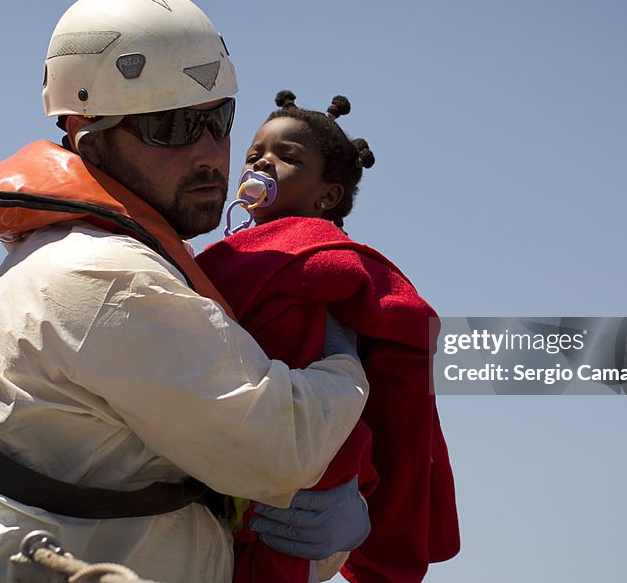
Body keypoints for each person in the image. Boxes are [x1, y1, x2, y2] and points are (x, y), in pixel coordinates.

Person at [0, 0, 372, 583]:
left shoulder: (92, 259)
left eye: (219, 118)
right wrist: (348, 361)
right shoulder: (101, 275)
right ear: (87, 129)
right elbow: (279, 448)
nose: (211, 151)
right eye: (173, 126)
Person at [196, 91, 460, 583]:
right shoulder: (223, 252)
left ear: (327, 196)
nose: (263, 162)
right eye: (255, 154)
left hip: (306, 464)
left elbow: (403, 329)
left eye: (287, 156)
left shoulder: (325, 254)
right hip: (233, 445)